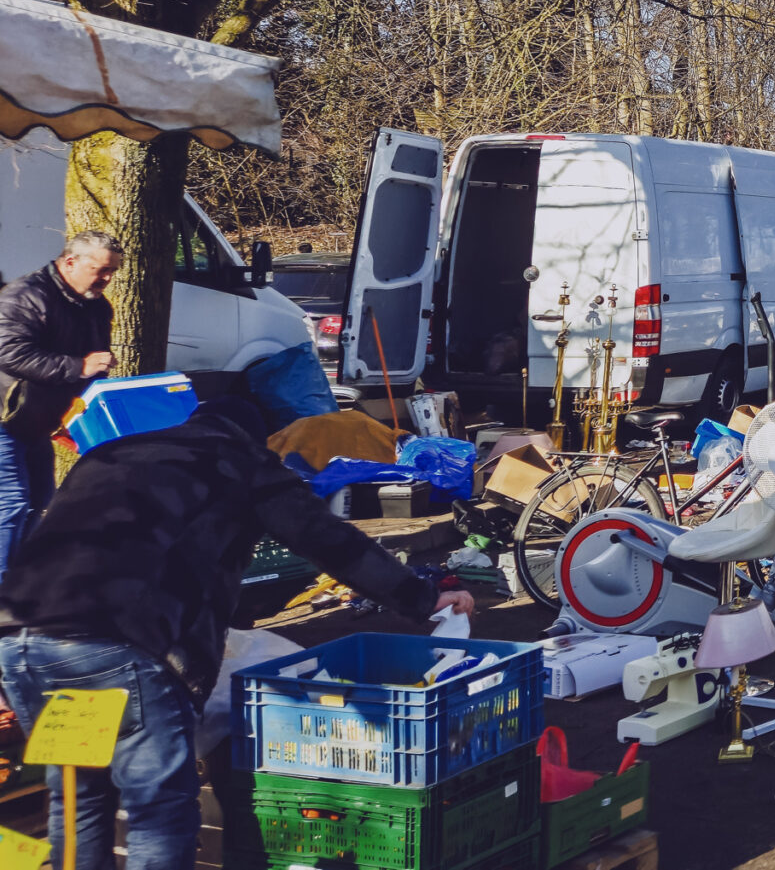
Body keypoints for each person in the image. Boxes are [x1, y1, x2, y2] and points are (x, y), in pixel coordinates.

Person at [0, 392, 469, 870]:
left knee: (81, 794)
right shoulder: (242, 460)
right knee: (157, 808)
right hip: (120, 646)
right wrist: (422, 598)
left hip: (23, 641)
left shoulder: (111, 453)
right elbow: (328, 540)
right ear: (256, 437)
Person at [0, 230, 119, 583]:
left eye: (113, 271)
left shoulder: (95, 305)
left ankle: (19, 586)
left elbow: (90, 369)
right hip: (5, 418)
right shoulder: (23, 297)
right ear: (70, 262)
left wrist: (77, 416)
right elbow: (8, 352)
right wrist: (78, 366)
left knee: (39, 500)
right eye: (101, 270)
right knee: (11, 504)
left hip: (37, 422)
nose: (108, 279)